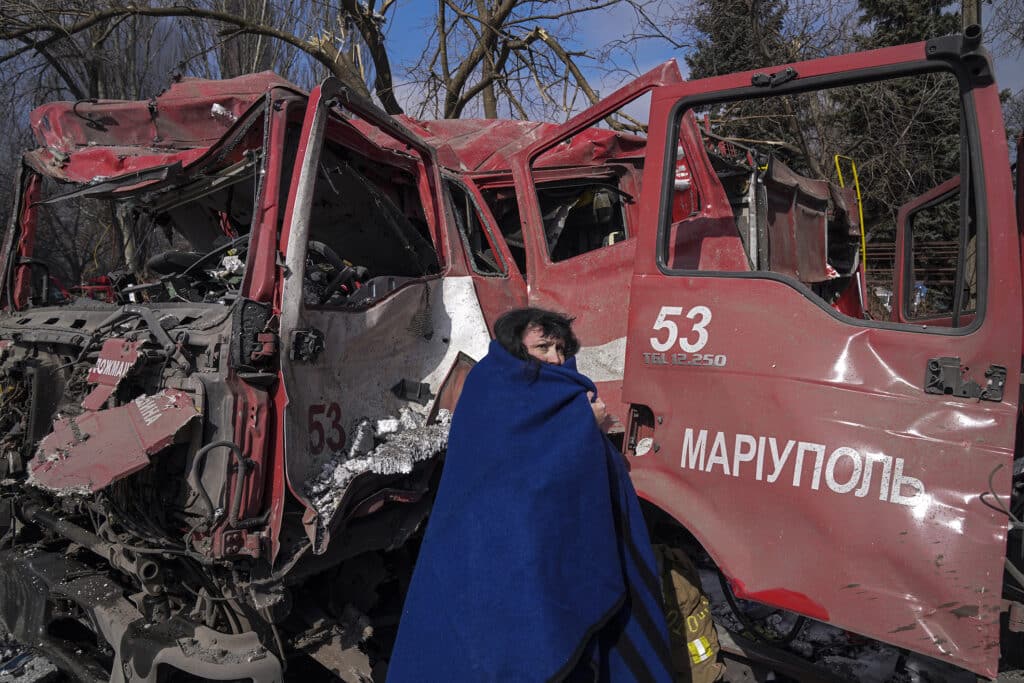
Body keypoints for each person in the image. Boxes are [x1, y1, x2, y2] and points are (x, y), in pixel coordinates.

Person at [387, 307, 672, 682]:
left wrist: (584, 430)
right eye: (543, 347)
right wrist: (586, 425)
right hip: (485, 552)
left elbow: (568, 479)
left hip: (545, 555)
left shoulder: (565, 396)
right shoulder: (491, 387)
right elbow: (513, 469)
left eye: (561, 349)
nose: (555, 359)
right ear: (514, 347)